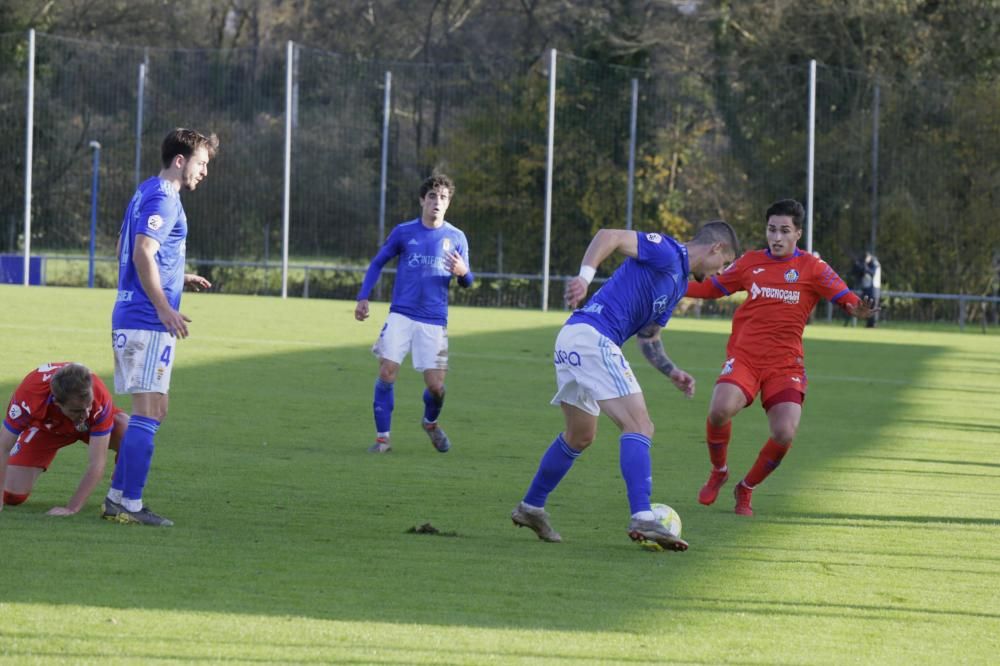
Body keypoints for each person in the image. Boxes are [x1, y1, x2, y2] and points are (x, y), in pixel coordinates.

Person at [510, 221, 740, 551]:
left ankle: (530, 507)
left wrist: (671, 371)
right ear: (716, 248)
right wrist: (584, 278)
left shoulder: (676, 287)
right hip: (592, 337)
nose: (722, 270)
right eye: (725, 262)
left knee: (580, 436)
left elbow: (649, 338)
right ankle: (643, 515)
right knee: (640, 425)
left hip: (574, 341)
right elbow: (610, 236)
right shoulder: (668, 251)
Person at [686, 199, 878, 516]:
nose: (776, 237)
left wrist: (857, 308)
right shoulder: (749, 262)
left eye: (784, 231)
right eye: (772, 229)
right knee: (719, 410)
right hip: (745, 357)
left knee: (785, 432)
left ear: (798, 233)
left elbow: (845, 297)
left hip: (785, 364)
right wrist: (672, 286)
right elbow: (712, 289)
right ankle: (719, 471)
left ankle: (745, 488)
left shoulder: (813, 268)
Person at [104, 128, 217, 526]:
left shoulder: (145, 191)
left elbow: (124, 246)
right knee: (148, 409)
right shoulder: (164, 197)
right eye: (202, 163)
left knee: (156, 409)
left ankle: (118, 494)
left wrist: (176, 276)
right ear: (181, 160)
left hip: (138, 314)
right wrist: (165, 306)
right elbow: (140, 252)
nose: (205, 171)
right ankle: (128, 504)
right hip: (145, 318)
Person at [354, 174, 474, 454]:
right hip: (401, 315)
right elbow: (378, 262)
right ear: (422, 200)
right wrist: (363, 296)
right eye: (432, 196)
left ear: (449, 203)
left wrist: (464, 273)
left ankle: (430, 422)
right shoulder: (404, 232)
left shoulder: (456, 238)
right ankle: (383, 439)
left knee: (436, 388)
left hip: (434, 321)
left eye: (443, 197)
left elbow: (468, 281)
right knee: (387, 371)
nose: (437, 201)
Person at [1, 362, 128, 515]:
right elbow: (3, 447)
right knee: (12, 496)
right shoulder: (30, 395)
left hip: (91, 428)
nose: (86, 414)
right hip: (46, 429)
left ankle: (120, 494)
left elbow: (97, 463)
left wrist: (71, 508)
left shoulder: (98, 395)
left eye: (88, 406)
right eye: (77, 410)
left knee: (132, 435)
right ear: (57, 402)